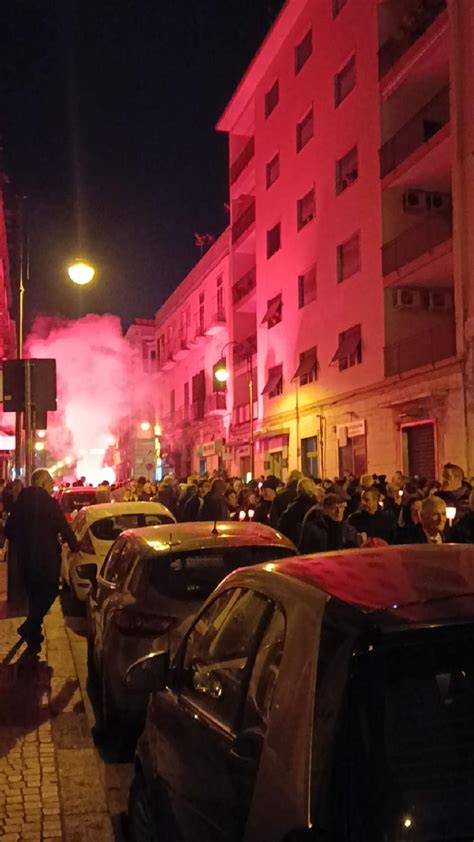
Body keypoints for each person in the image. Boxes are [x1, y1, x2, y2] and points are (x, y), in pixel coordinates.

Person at [5, 469, 79, 654]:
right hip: (46, 559)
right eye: (51, 483)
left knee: (34, 595)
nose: (53, 486)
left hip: (25, 559)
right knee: (50, 591)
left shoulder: (20, 502)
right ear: (43, 483)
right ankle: (30, 626)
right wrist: (75, 546)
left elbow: (9, 530)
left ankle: (33, 633)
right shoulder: (50, 504)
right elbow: (64, 527)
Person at [278, 478, 323, 546]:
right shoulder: (317, 509)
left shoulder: (290, 509)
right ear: (313, 491)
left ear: (298, 491)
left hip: (294, 547)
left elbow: (281, 528)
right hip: (314, 548)